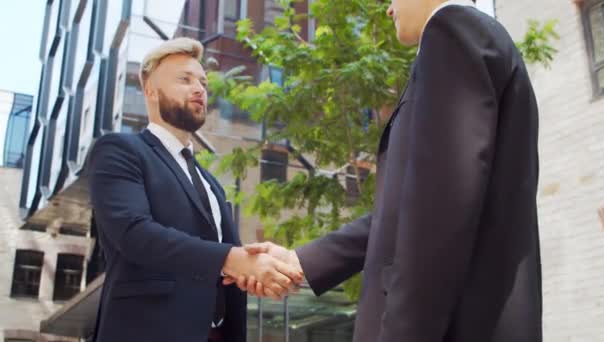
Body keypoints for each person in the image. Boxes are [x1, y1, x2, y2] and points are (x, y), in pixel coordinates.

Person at [234, 0, 543, 341]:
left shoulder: (452, 32)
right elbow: (411, 209)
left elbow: (436, 216)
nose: (388, 10)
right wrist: (302, 260)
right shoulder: (473, 38)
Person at [88, 37, 302, 342]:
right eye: (184, 80)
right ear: (150, 91)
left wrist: (250, 272)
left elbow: (221, 265)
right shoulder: (120, 150)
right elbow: (134, 234)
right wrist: (232, 258)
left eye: (202, 81)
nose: (200, 88)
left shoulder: (209, 182)